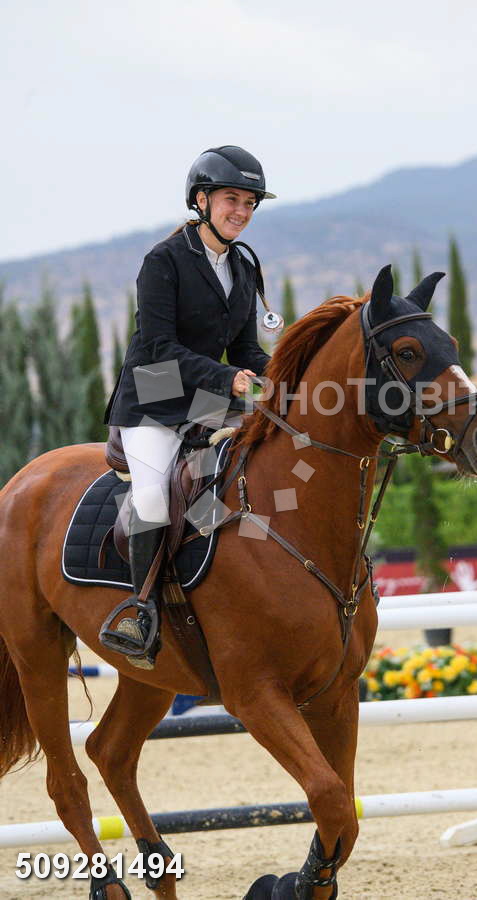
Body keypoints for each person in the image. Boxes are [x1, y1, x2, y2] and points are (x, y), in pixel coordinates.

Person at [99, 145, 275, 667]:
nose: (241, 211)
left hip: (205, 394)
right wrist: (228, 378)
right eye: (231, 199)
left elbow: (245, 351)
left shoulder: (242, 266)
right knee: (154, 497)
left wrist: (284, 377)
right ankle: (141, 610)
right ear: (202, 200)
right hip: (151, 391)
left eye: (249, 203)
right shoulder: (164, 260)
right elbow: (157, 346)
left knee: (266, 463)